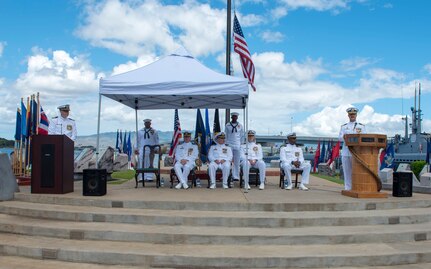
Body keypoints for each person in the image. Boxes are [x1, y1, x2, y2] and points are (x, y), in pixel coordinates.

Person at [338, 107, 366, 191]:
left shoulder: (361, 126)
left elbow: (364, 137)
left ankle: (357, 187)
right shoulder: (344, 127)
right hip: (346, 151)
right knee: (347, 171)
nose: (352, 116)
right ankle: (348, 188)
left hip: (356, 152)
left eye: (353, 114)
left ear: (356, 115)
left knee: (357, 170)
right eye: (350, 114)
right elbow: (339, 138)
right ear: (348, 115)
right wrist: (345, 137)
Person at [225, 112, 244, 182]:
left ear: (237, 117)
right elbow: (226, 135)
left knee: (237, 161)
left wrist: (241, 144)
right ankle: (227, 175)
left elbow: (242, 135)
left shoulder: (240, 125)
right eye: (233, 117)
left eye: (235, 117)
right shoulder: (227, 125)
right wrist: (226, 144)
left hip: (237, 145)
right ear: (231, 117)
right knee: (228, 160)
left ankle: (236, 176)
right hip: (229, 145)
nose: (234, 118)